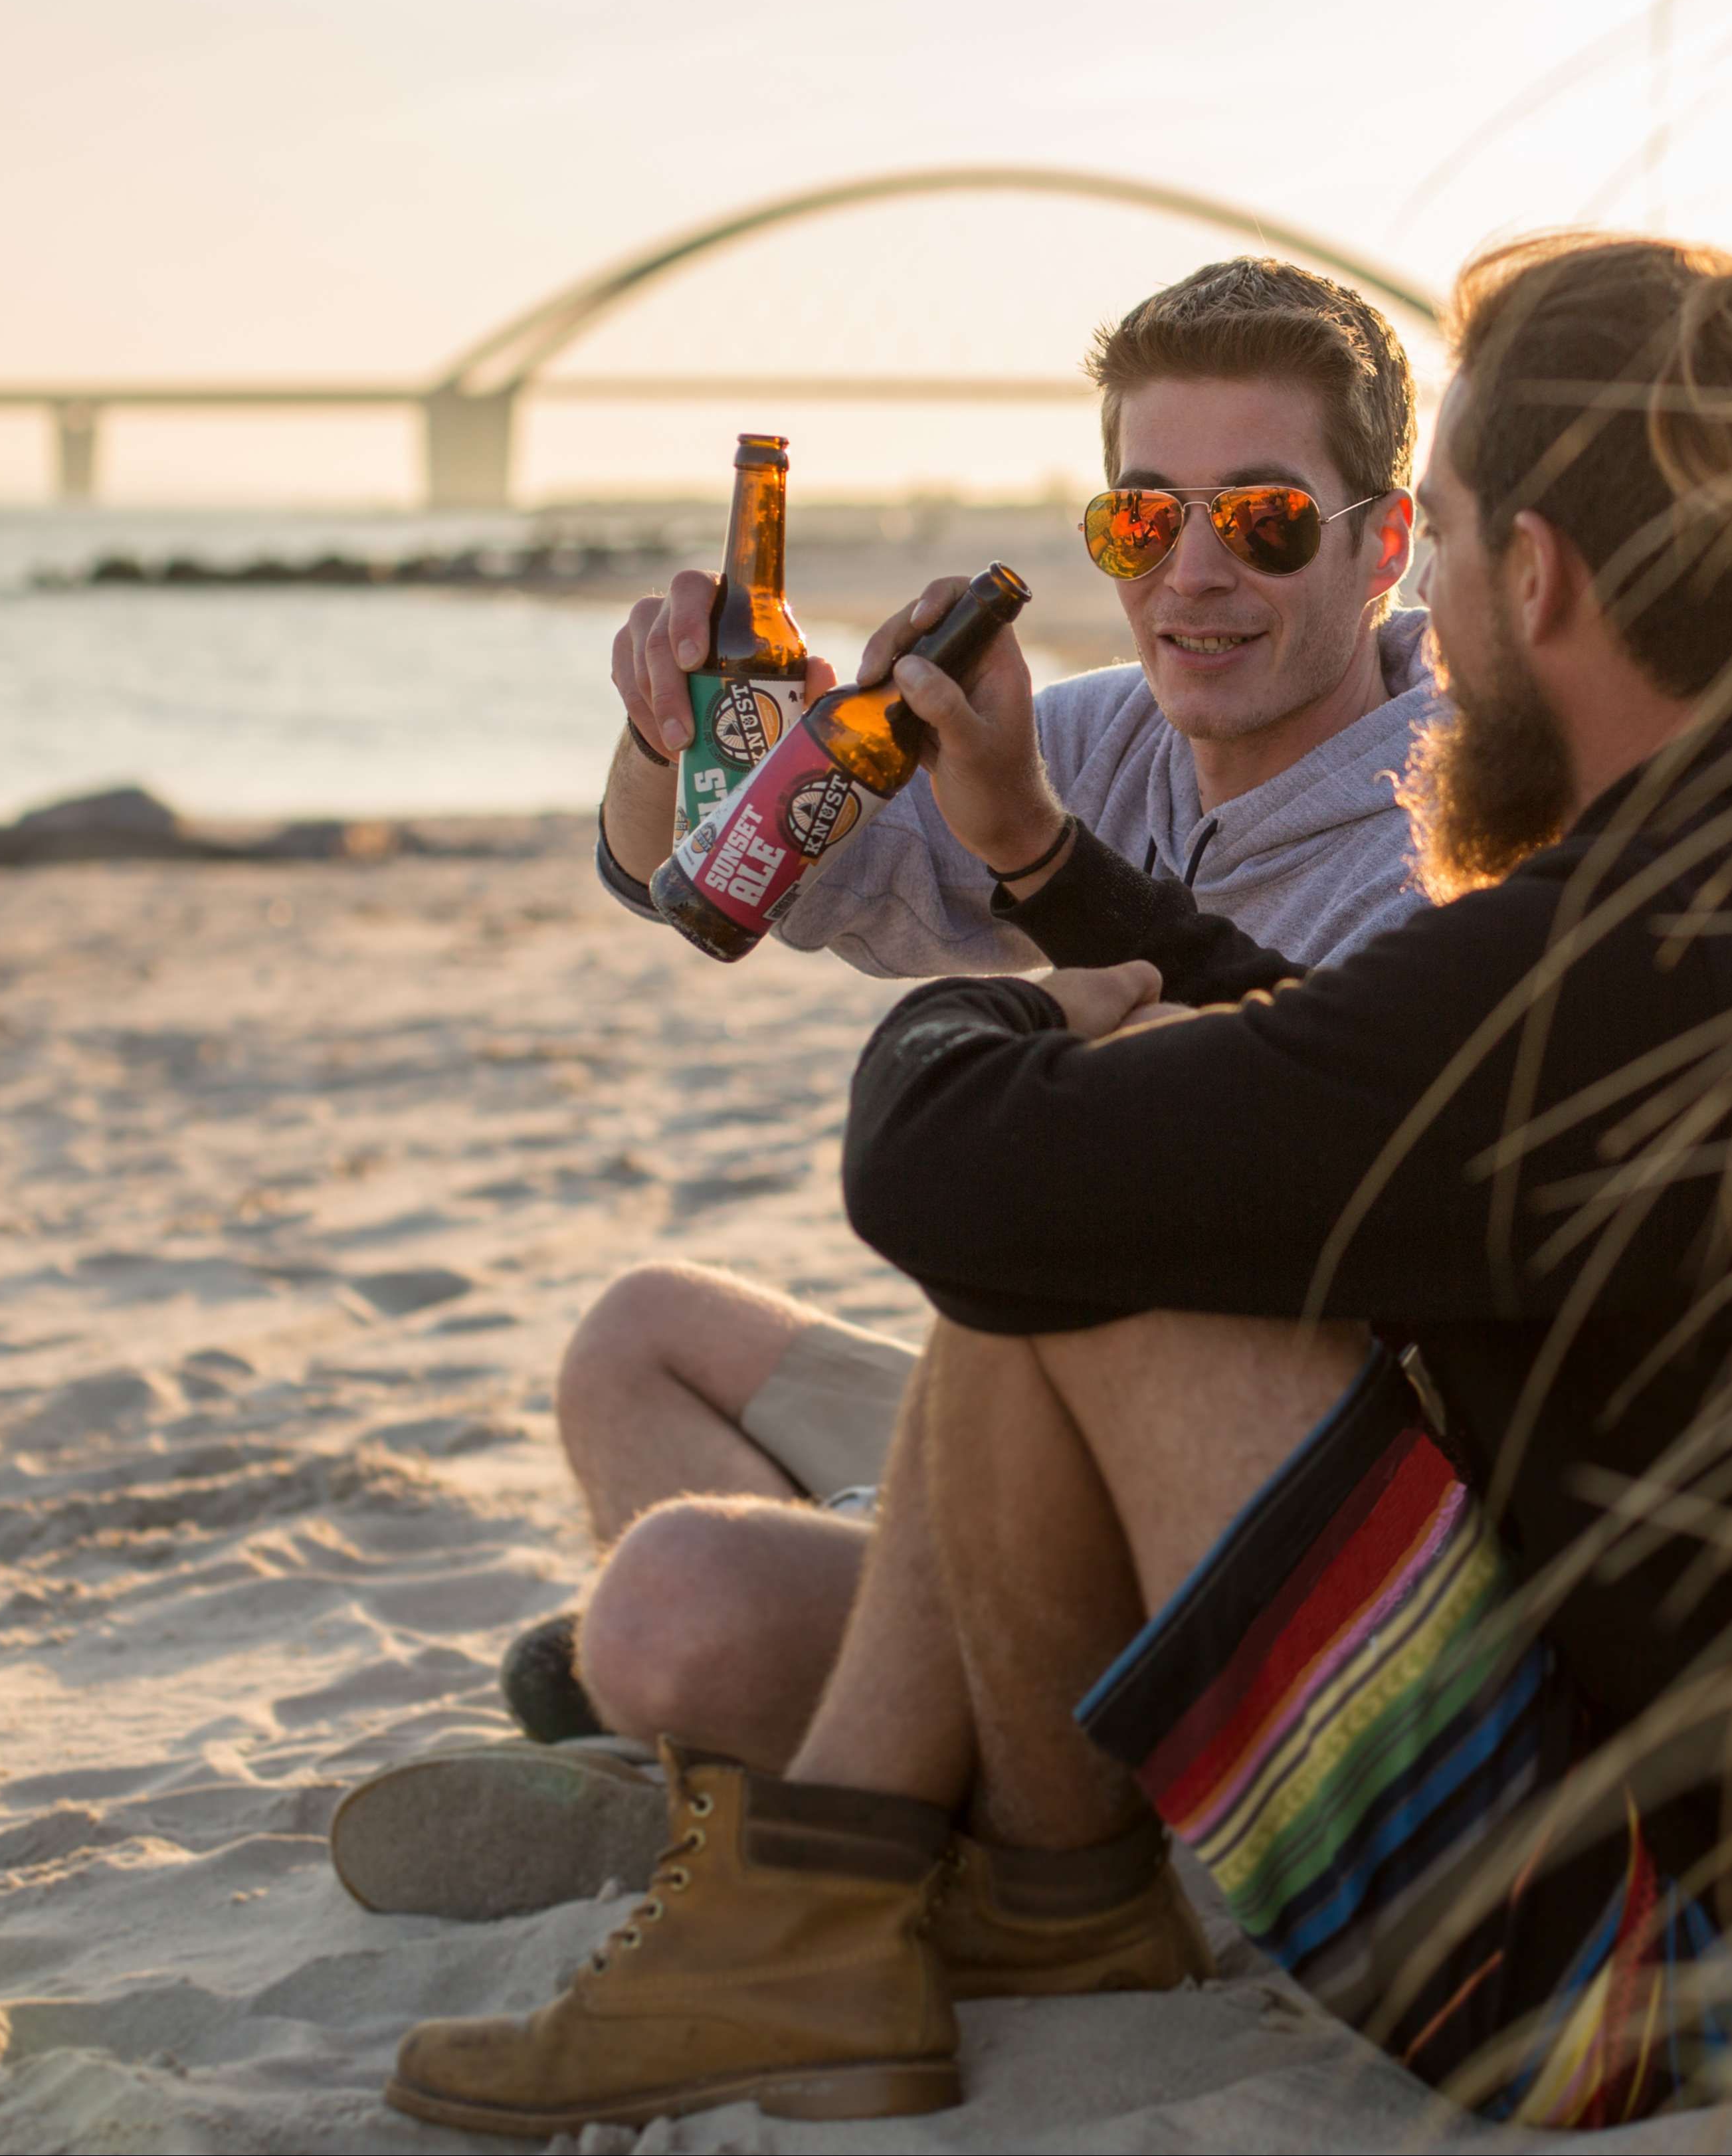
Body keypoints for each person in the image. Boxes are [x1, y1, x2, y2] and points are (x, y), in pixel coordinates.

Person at [383, 195, 1732, 2138]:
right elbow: (1319, 1069)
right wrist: (1060, 916)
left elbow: (962, 1173)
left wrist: (1031, 1013)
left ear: (1519, 573)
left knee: (1066, 1230)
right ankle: (966, 1903)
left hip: (1651, 1990)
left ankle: (887, 1893)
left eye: (1424, 541)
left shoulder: (1613, 977)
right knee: (1090, 1190)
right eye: (1143, 517)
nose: (1423, 623)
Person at [328, 258, 1432, 1924]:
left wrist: (1029, 909)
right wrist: (672, 736)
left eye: (1264, 520)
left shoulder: (1441, 828)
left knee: (670, 1611)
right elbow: (720, 885)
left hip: (1233, 1513)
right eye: (1142, 524)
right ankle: (793, 1733)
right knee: (637, 1334)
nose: (1194, 577)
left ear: (1386, 542)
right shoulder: (1104, 736)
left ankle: (761, 1778)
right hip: (1012, 1427)